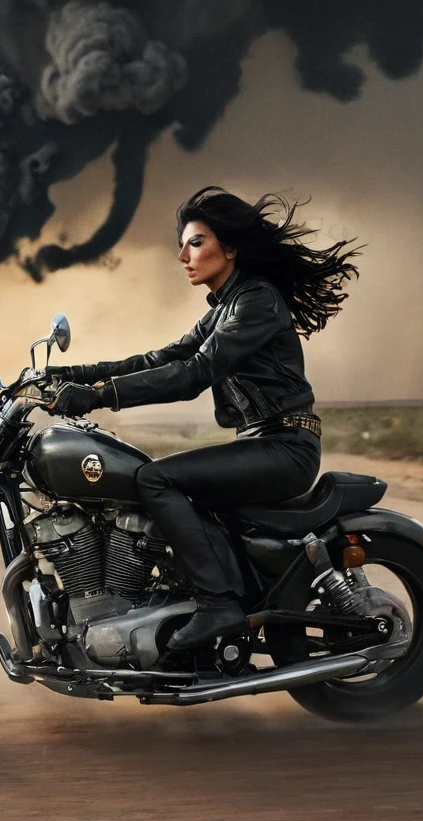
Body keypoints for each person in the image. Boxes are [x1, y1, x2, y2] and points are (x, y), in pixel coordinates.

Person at [46, 185, 361, 650]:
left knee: (156, 480)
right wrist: (76, 375)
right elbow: (162, 357)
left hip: (284, 448)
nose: (182, 256)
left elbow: (194, 373)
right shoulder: (225, 308)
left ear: (230, 247)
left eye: (195, 242)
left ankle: (219, 605)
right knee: (154, 481)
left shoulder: (256, 301)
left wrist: (99, 397)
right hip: (260, 444)